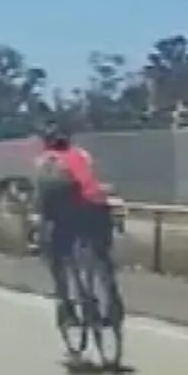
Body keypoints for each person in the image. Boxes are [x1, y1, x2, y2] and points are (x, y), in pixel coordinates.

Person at [31, 120, 122, 325]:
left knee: (55, 256)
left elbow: (43, 195)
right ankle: (112, 297)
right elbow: (95, 181)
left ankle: (66, 305)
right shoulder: (83, 155)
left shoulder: (46, 160)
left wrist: (38, 222)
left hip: (67, 214)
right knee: (102, 256)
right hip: (96, 207)